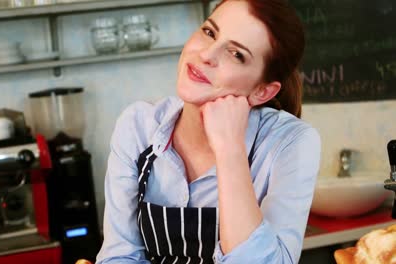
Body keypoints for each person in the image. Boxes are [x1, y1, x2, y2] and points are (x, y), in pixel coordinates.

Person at [95, 0, 321, 263]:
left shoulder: (290, 142)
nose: (207, 55)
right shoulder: (137, 125)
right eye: (210, 32)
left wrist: (230, 150)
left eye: (236, 54)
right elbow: (119, 255)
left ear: (262, 91)